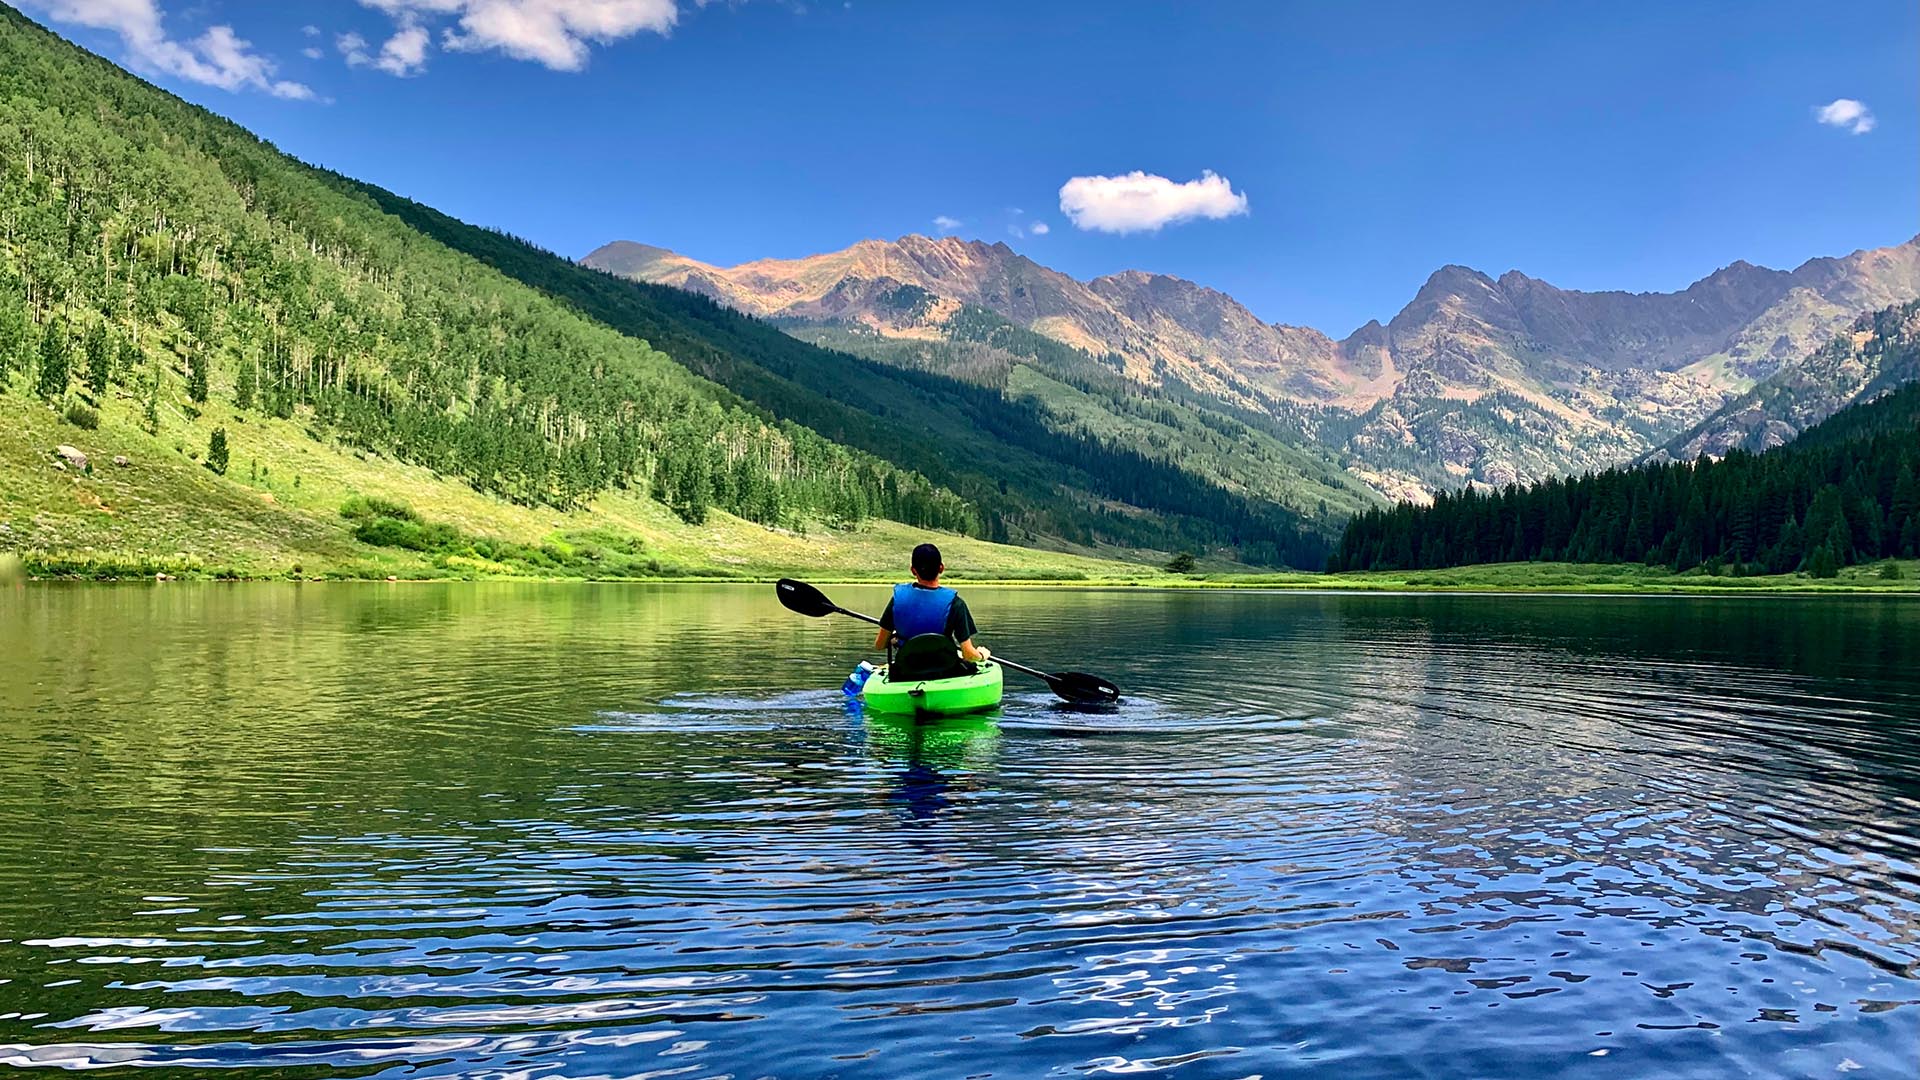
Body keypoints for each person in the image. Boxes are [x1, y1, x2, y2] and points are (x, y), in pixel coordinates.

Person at [874, 543, 991, 664]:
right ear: (941, 568)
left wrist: (895, 638)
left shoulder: (897, 600)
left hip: (905, 671)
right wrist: (981, 655)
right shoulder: (956, 604)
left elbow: (880, 644)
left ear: (913, 570)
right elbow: (968, 654)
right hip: (944, 669)